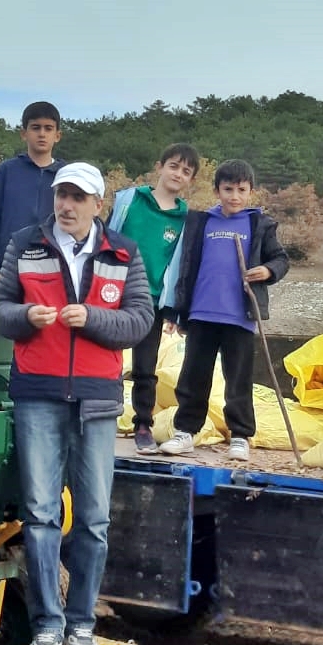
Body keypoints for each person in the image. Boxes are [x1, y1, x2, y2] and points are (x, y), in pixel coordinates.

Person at [0, 161, 153, 645]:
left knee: (94, 518)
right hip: (37, 394)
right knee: (40, 515)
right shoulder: (25, 244)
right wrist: (24, 316)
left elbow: (140, 320)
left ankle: (82, 623)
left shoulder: (123, 252)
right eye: (62, 195)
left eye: (79, 197)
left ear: (98, 204)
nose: (67, 205)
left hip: (97, 399)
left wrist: (93, 318)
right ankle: (45, 626)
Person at [156, 159, 288, 463]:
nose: (234, 196)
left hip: (239, 316)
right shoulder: (201, 222)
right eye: (228, 189)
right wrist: (178, 311)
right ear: (217, 190)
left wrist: (267, 271)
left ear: (251, 191)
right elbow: (184, 267)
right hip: (202, 314)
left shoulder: (259, 224)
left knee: (238, 378)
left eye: (241, 190)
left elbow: (281, 259)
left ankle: (240, 436)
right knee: (193, 376)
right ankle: (185, 432)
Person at [107, 143, 200, 453]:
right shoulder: (129, 200)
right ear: (159, 167)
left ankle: (143, 425)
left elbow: (182, 265)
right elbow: (105, 236)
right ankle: (102, 416)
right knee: (106, 357)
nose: (178, 174)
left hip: (153, 299)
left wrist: (175, 310)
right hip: (114, 292)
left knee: (145, 367)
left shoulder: (185, 218)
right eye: (173, 166)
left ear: (190, 180)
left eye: (186, 171)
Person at [0, 101, 62, 279]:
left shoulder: (65, 175)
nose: (42, 134)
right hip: (10, 268)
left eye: (48, 128)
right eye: (35, 127)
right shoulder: (7, 171)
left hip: (55, 270)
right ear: (24, 133)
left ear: (57, 135)